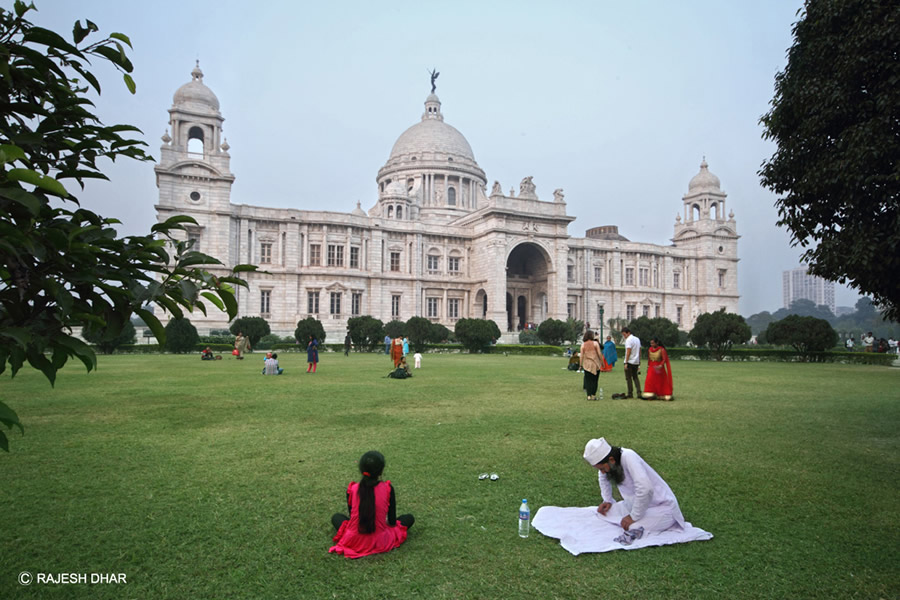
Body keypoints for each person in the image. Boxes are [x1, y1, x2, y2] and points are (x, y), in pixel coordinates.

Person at [583, 437, 685, 543]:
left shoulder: (628, 456)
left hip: (663, 509)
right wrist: (607, 500)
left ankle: (641, 525)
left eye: (602, 469)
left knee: (632, 526)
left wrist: (633, 516)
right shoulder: (609, 462)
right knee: (606, 513)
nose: (602, 472)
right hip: (635, 505)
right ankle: (636, 519)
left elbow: (645, 489)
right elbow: (603, 478)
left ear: (611, 460)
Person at [329, 450, 414, 559]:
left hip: (354, 540)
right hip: (381, 540)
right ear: (381, 471)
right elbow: (392, 522)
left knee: (336, 517)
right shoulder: (387, 488)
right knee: (408, 518)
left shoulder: (352, 489)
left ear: (361, 469)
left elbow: (352, 519)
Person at [579, 331, 607, 401]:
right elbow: (599, 354)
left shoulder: (583, 345)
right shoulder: (595, 344)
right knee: (595, 380)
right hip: (595, 364)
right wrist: (602, 363)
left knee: (588, 380)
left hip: (586, 364)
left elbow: (581, 356)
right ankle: (593, 395)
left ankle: (588, 396)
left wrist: (580, 365)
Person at [621, 327, 641, 399]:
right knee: (635, 377)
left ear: (628, 333)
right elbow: (639, 350)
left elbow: (628, 351)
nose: (624, 336)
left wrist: (626, 362)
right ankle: (639, 392)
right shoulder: (637, 339)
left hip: (629, 361)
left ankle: (630, 393)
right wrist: (639, 360)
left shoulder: (628, 340)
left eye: (624, 334)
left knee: (628, 378)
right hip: (636, 361)